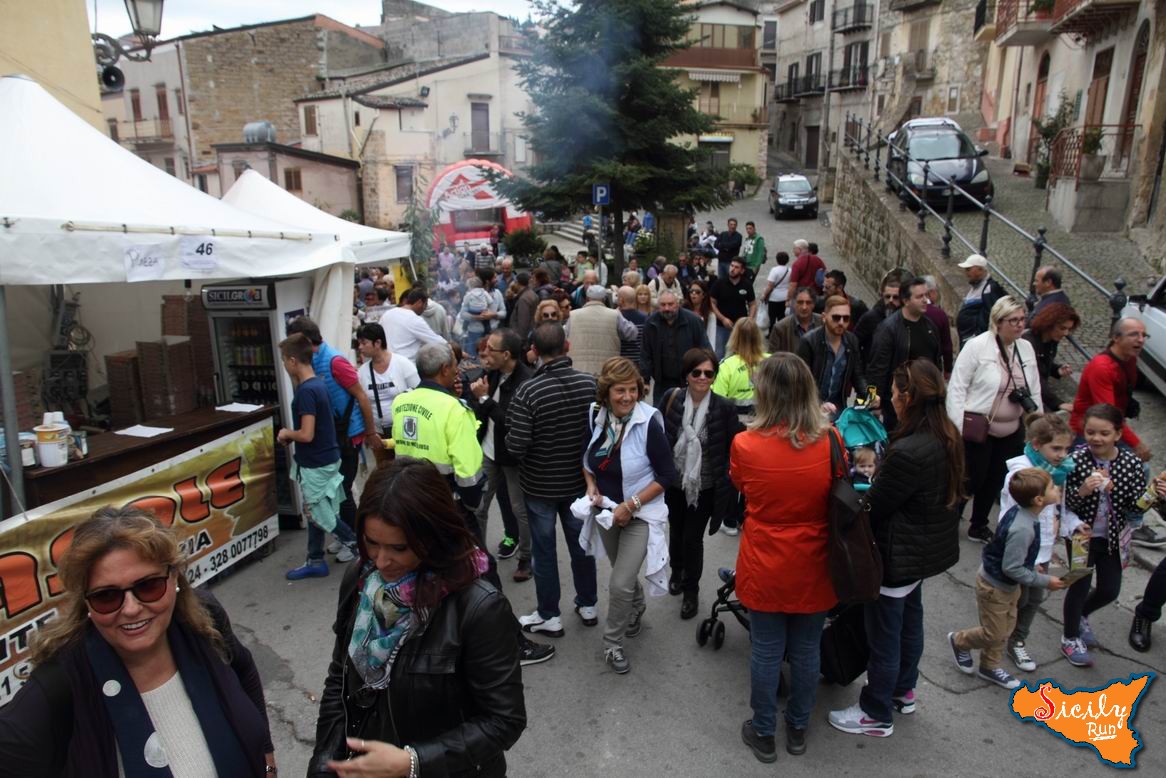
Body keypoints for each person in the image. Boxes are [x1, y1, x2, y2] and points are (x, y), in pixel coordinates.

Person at [0, 508, 275, 776]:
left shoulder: (204, 619)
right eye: (107, 596)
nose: (131, 609)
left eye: (148, 586)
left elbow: (244, 670)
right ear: (86, 602)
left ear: (174, 577)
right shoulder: (60, 683)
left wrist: (268, 764)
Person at [308, 459, 525, 777]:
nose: (381, 561)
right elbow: (339, 677)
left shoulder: (479, 608)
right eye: (371, 543)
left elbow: (504, 721)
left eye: (398, 548)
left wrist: (413, 761)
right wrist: (324, 763)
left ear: (433, 537)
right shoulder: (361, 578)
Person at [829, 360, 964, 738]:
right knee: (909, 623)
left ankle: (876, 711)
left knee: (884, 634)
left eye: (893, 392)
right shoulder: (946, 436)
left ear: (908, 397)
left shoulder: (908, 451)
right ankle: (904, 691)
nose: (889, 399)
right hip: (922, 555)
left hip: (897, 555)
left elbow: (875, 504)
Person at [732, 354, 837, 761]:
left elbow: (741, 484)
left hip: (765, 560)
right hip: (814, 559)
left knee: (766, 650)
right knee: (808, 649)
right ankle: (797, 726)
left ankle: (763, 730)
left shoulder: (745, 444)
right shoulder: (830, 440)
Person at [580, 357, 678, 674]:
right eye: (620, 391)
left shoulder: (649, 422)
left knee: (620, 583)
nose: (627, 397)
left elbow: (667, 475)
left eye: (633, 390)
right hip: (607, 511)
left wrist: (631, 504)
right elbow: (587, 458)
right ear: (606, 392)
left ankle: (612, 644)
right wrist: (591, 485)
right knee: (622, 571)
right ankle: (636, 606)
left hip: (641, 513)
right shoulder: (596, 415)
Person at [506, 323, 600, 637]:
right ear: (567, 346)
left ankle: (549, 615)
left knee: (544, 552)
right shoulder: (590, 384)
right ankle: (588, 604)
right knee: (581, 546)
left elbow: (516, 445)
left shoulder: (528, 391)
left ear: (534, 351)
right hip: (579, 484)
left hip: (539, 487)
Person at [948, 469, 1068, 690]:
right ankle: (960, 641)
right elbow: (1011, 568)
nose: (1057, 489)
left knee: (1005, 628)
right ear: (1038, 500)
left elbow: (1013, 556)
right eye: (1052, 487)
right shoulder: (1023, 528)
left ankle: (990, 666)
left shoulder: (1026, 515)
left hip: (1007, 586)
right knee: (994, 633)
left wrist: (1030, 565)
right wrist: (1044, 580)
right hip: (995, 587)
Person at [1060, 403, 1149, 667]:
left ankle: (1081, 615)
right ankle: (1069, 637)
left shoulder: (1132, 464)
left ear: (1118, 434)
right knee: (1079, 585)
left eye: (1104, 433)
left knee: (1110, 589)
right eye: (1090, 432)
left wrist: (1152, 496)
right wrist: (1083, 490)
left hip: (1112, 538)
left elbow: (1135, 508)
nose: (1096, 438)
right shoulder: (1075, 460)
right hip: (1080, 536)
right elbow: (1062, 504)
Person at [947, 296, 1041, 542]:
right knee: (971, 477)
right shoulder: (977, 346)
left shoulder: (1025, 349)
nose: (1020, 325)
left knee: (995, 479)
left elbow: (1034, 388)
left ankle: (978, 524)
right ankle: (950, 520)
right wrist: (955, 427)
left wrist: (1038, 424)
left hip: (1011, 430)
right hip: (980, 428)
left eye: (1022, 319)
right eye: (1013, 320)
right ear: (998, 322)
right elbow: (957, 387)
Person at [659, 347, 741, 619]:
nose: (703, 377)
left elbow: (733, 448)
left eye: (709, 373)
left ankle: (691, 591)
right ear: (686, 374)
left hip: (705, 487)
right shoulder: (671, 399)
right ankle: (677, 571)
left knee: (692, 538)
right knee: (676, 531)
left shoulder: (724, 408)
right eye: (697, 372)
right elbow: (658, 436)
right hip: (674, 484)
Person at [998, 412, 1076, 672]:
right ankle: (991, 638)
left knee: (1032, 600)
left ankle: (1017, 640)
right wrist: (1031, 560)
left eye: (1066, 449)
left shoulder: (1056, 471)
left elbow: (1055, 510)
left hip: (1041, 549)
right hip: (1022, 551)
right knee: (1016, 600)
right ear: (1036, 445)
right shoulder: (1023, 474)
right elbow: (1018, 517)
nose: (1062, 455)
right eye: (1056, 448)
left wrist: (1066, 526)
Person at [279, 332, 361, 578]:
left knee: (317, 511)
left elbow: (306, 434)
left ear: (293, 361)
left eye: (284, 360)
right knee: (316, 508)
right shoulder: (319, 384)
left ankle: (355, 544)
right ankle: (315, 558)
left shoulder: (306, 391)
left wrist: (287, 433)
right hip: (327, 457)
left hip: (315, 461)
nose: (284, 365)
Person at [470, 328, 535, 583]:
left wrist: (484, 398)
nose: (485, 353)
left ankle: (526, 558)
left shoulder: (525, 381)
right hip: (488, 452)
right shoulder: (491, 373)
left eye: (491, 349)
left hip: (512, 456)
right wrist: (477, 397)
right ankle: (478, 558)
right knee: (478, 506)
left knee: (520, 510)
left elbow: (511, 422)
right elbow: (480, 410)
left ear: (506, 354)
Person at [866, 277, 942, 430]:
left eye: (926, 295)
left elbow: (936, 363)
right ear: (906, 300)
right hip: (897, 404)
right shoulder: (889, 329)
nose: (925, 300)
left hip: (926, 404)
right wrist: (874, 402)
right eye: (919, 296)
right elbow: (877, 370)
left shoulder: (930, 327)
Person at [356, 323, 421, 466]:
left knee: (408, 467)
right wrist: (370, 433)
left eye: (364, 343)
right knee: (384, 469)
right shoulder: (362, 372)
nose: (360, 347)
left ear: (377, 343)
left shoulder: (403, 364)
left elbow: (420, 394)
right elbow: (362, 403)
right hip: (379, 433)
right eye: (359, 343)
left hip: (406, 431)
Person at [797, 295, 869, 417]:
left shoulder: (851, 341)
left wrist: (869, 395)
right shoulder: (809, 342)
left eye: (846, 318)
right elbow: (801, 382)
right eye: (836, 318)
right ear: (824, 317)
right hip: (810, 409)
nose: (841, 322)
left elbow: (857, 375)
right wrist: (818, 404)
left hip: (838, 408)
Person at [641, 290, 712, 399]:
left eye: (670, 304)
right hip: (661, 383)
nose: (667, 308)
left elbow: (705, 350)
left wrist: (705, 375)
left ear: (677, 304)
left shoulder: (693, 321)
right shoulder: (651, 323)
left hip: (688, 381)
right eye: (663, 305)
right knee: (661, 409)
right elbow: (646, 353)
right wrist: (645, 380)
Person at [569, 285, 641, 375]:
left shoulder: (572, 315)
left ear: (587, 298)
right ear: (604, 299)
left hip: (578, 370)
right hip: (607, 370)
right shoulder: (615, 314)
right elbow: (632, 334)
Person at [1023, 302, 1080, 412]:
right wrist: (1057, 403)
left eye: (1069, 329)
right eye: (1062, 328)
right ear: (1049, 325)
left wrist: (1057, 370)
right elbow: (1034, 376)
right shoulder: (1029, 342)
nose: (1066, 333)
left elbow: (1043, 362)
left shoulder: (1051, 340)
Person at [712, 317, 769, 420]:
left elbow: (717, 402)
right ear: (758, 337)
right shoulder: (772, 362)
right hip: (766, 421)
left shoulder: (726, 366)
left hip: (736, 423)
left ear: (734, 338)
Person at [380, 288, 449, 360]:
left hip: (387, 362)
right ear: (419, 302)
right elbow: (437, 341)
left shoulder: (387, 314)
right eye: (425, 305)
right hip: (406, 363)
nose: (424, 309)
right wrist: (452, 348)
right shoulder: (415, 320)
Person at [710, 257, 757, 358]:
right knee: (720, 354)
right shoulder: (719, 283)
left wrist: (750, 319)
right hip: (722, 326)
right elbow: (712, 303)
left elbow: (752, 304)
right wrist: (723, 319)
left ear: (742, 270)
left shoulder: (747, 285)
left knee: (741, 353)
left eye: (736, 267)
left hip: (741, 327)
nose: (732, 269)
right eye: (731, 266)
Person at [955, 254, 1006, 346]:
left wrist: (975, 335)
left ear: (980, 270)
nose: (966, 273)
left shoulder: (989, 289)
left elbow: (990, 316)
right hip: (969, 337)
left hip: (975, 340)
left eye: (968, 269)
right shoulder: (978, 286)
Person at [856, 274, 902, 362]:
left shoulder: (905, 319)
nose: (891, 300)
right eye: (888, 297)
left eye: (895, 297)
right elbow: (854, 344)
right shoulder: (870, 317)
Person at [768, 286, 821, 355]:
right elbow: (772, 356)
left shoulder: (822, 323)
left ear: (813, 304)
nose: (804, 307)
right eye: (800, 302)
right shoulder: (780, 328)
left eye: (808, 303)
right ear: (793, 304)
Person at [922, 275, 954, 378]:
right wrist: (948, 369)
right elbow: (947, 345)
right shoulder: (939, 314)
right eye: (936, 291)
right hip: (933, 365)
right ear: (930, 292)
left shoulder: (908, 310)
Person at [617, 285, 648, 367]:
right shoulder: (646, 318)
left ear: (621, 300)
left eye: (617, 297)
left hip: (621, 363)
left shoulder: (616, 318)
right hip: (640, 363)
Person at [762, 251, 792, 332]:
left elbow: (770, 285)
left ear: (777, 260)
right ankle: (781, 332)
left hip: (774, 298)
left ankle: (771, 333)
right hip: (785, 297)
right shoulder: (790, 270)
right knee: (782, 317)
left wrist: (764, 295)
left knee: (772, 317)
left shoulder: (774, 270)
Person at [685, 278, 718, 348]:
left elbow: (711, 338)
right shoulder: (683, 311)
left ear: (704, 295)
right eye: (691, 291)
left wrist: (709, 353)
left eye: (697, 292)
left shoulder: (710, 315)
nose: (693, 294)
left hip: (701, 350)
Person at [509, 271, 540, 340]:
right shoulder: (532, 294)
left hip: (523, 336)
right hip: (531, 332)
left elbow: (523, 322)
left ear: (517, 283)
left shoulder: (523, 299)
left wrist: (521, 339)